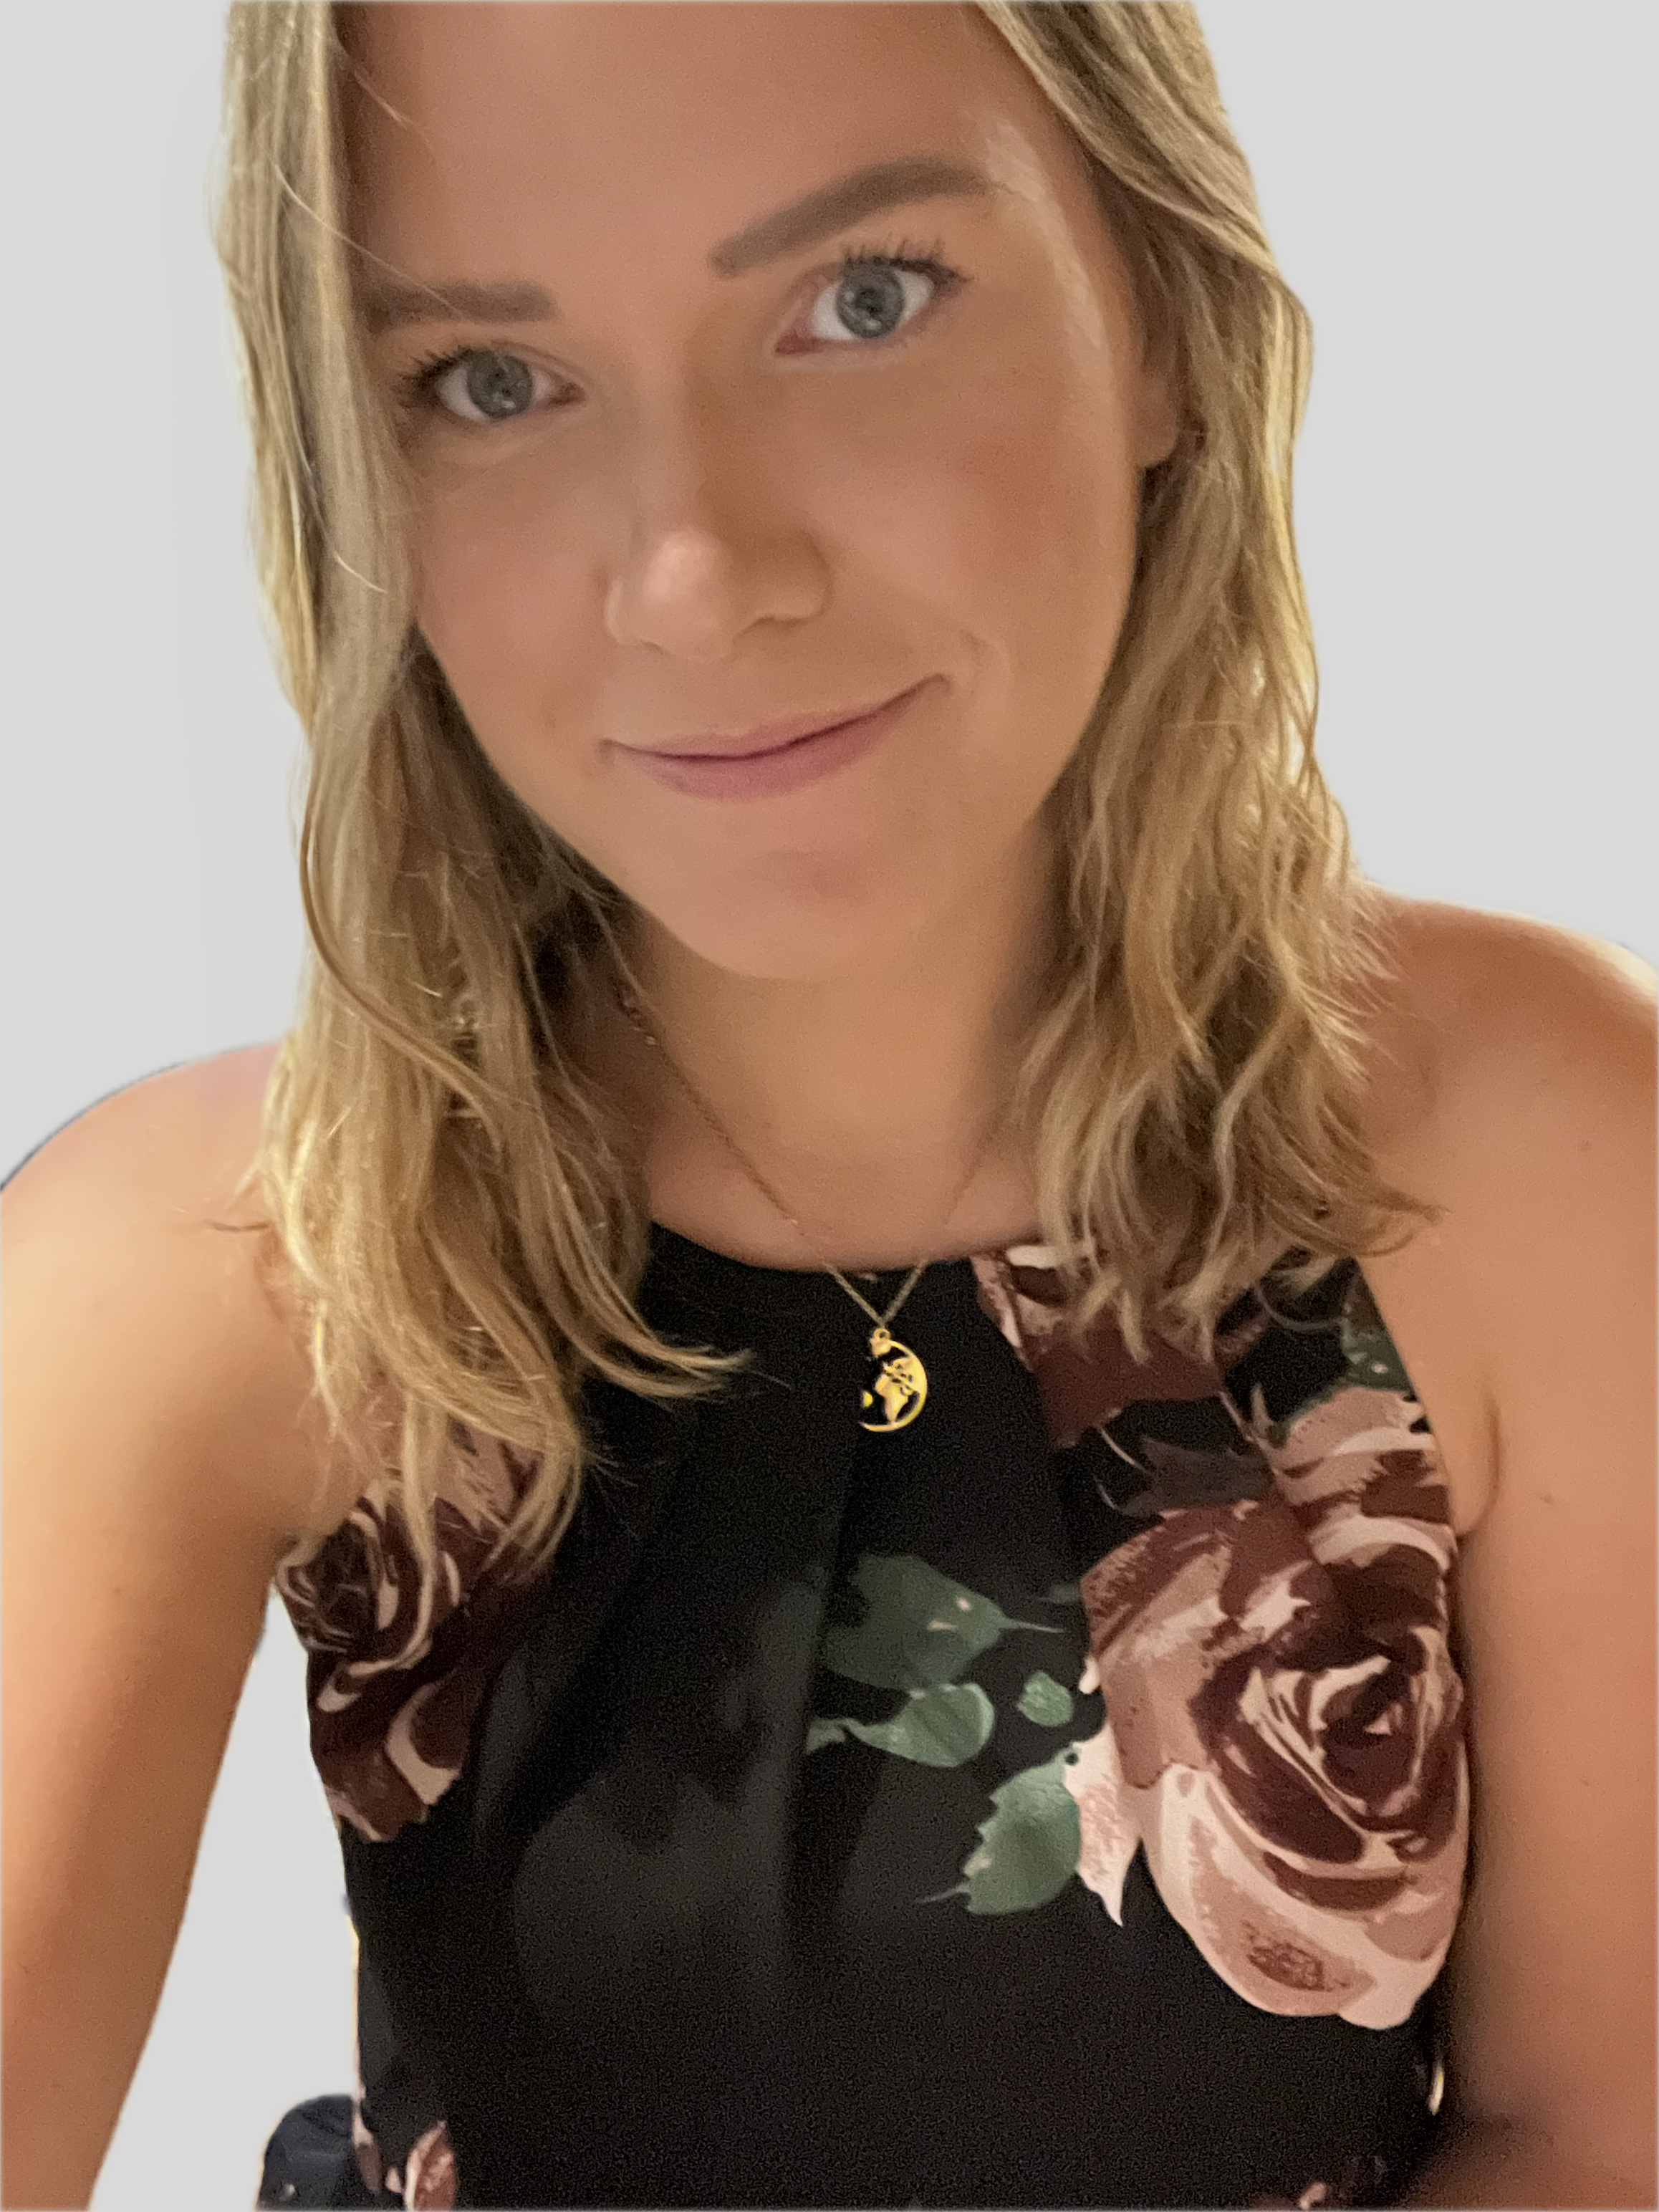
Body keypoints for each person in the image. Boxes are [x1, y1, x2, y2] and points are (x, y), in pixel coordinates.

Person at [4, 4, 1653, 2207]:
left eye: (859, 301)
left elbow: (1606, 2133)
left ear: (1157, 310)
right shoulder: (202, 1270)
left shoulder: (1524, 1149)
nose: (695, 570)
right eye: (487, 381)